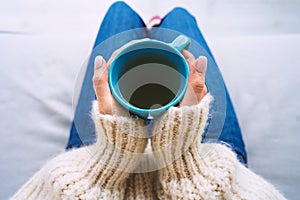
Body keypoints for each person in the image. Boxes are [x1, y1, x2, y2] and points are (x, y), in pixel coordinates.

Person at [11, 2, 286, 199]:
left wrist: (111, 156)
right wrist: (186, 162)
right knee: (179, 17)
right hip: (211, 172)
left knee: (120, 12)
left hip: (95, 167)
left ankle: (146, 31)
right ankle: (157, 30)